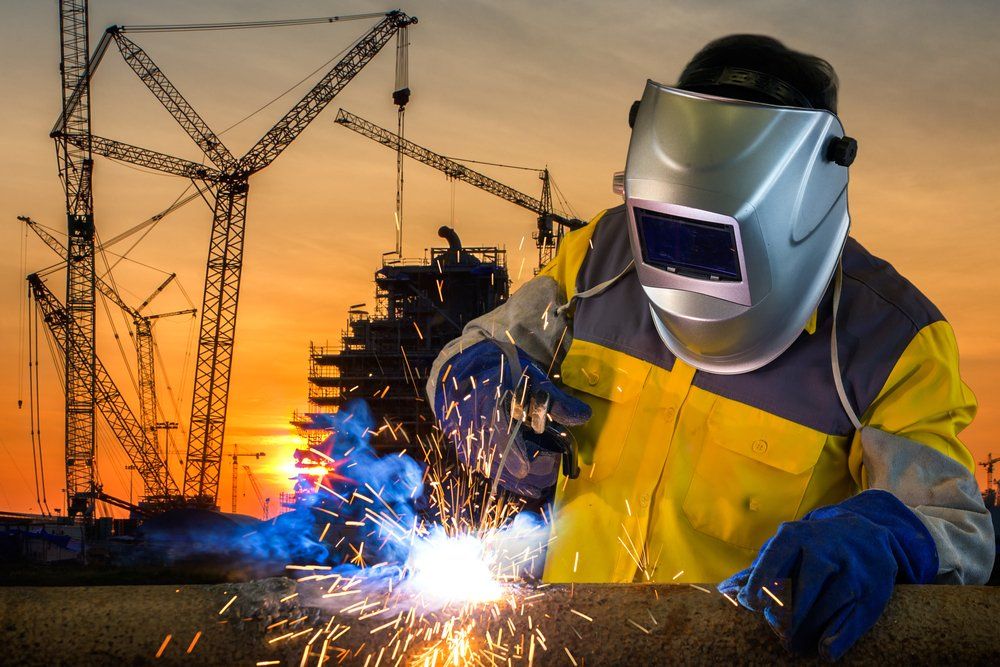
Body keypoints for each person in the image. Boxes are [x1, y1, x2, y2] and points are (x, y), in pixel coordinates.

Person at [427, 35, 994, 660]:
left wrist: (887, 538)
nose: (685, 261)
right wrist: (471, 380)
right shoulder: (602, 253)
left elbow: (959, 527)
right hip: (570, 642)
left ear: (796, 198)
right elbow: (479, 346)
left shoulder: (892, 339)